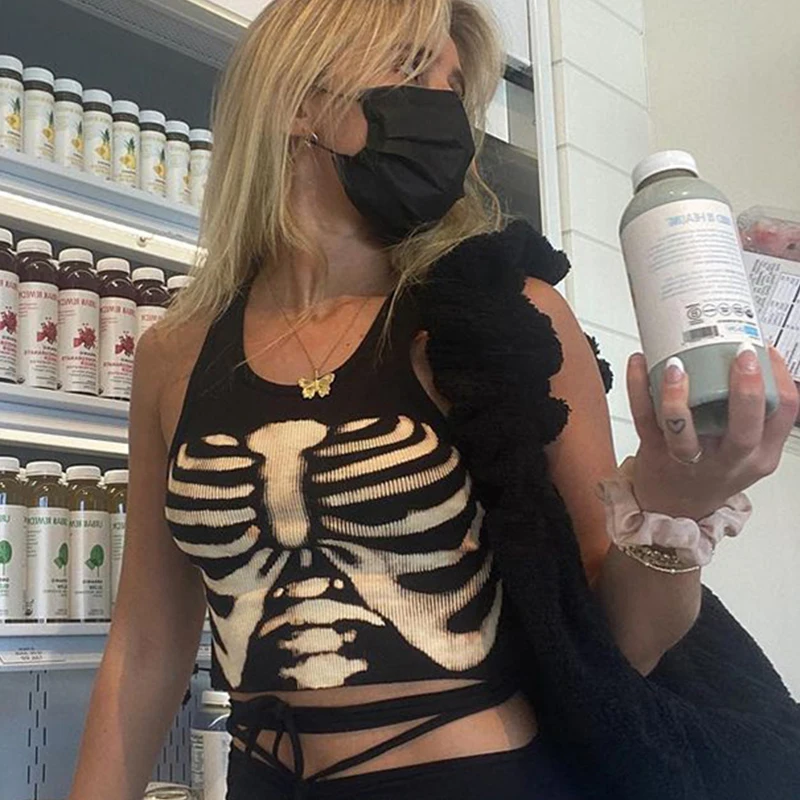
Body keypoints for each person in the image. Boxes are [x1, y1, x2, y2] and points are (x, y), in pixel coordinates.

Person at [67, 1, 800, 799]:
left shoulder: (503, 321)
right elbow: (144, 648)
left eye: (454, 87)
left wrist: (677, 507)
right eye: (412, 67)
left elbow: (616, 644)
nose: (442, 108)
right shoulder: (175, 355)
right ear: (298, 101)